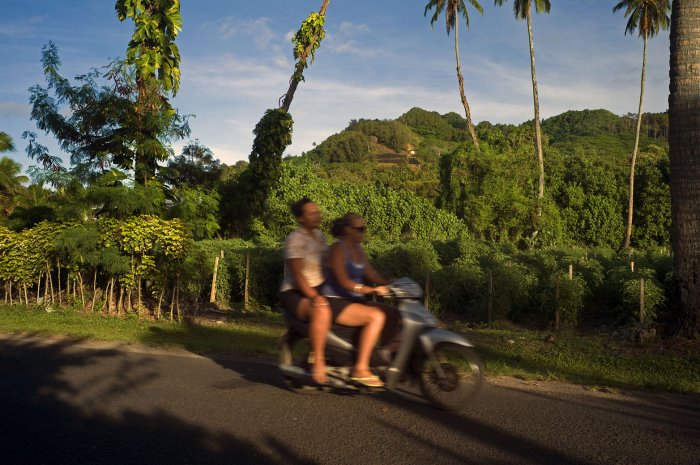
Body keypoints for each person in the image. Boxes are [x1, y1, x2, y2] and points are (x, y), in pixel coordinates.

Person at [278, 199, 389, 387]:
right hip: (296, 292)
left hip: (319, 288)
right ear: (300, 219)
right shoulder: (295, 239)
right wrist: (314, 297)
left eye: (317, 212)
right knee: (323, 310)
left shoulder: (320, 236)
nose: (317, 216)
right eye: (311, 214)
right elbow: (297, 275)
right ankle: (319, 362)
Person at [320, 212, 401, 387]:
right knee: (376, 316)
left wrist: (393, 283)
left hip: (354, 301)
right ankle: (360, 367)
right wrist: (371, 289)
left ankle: (381, 360)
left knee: (393, 314)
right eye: (359, 229)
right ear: (347, 229)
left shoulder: (358, 249)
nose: (363, 232)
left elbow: (371, 274)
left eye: (364, 229)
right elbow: (344, 282)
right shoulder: (337, 249)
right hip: (336, 301)